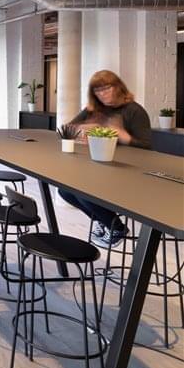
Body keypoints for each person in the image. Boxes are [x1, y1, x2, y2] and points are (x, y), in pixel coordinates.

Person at [58, 70, 152, 249]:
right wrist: (88, 125)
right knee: (65, 191)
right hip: (100, 168)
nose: (102, 94)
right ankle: (103, 220)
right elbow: (68, 129)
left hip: (127, 172)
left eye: (106, 88)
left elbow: (147, 148)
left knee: (84, 192)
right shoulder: (95, 109)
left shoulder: (135, 111)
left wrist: (124, 136)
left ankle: (117, 228)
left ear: (118, 87)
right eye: (98, 91)